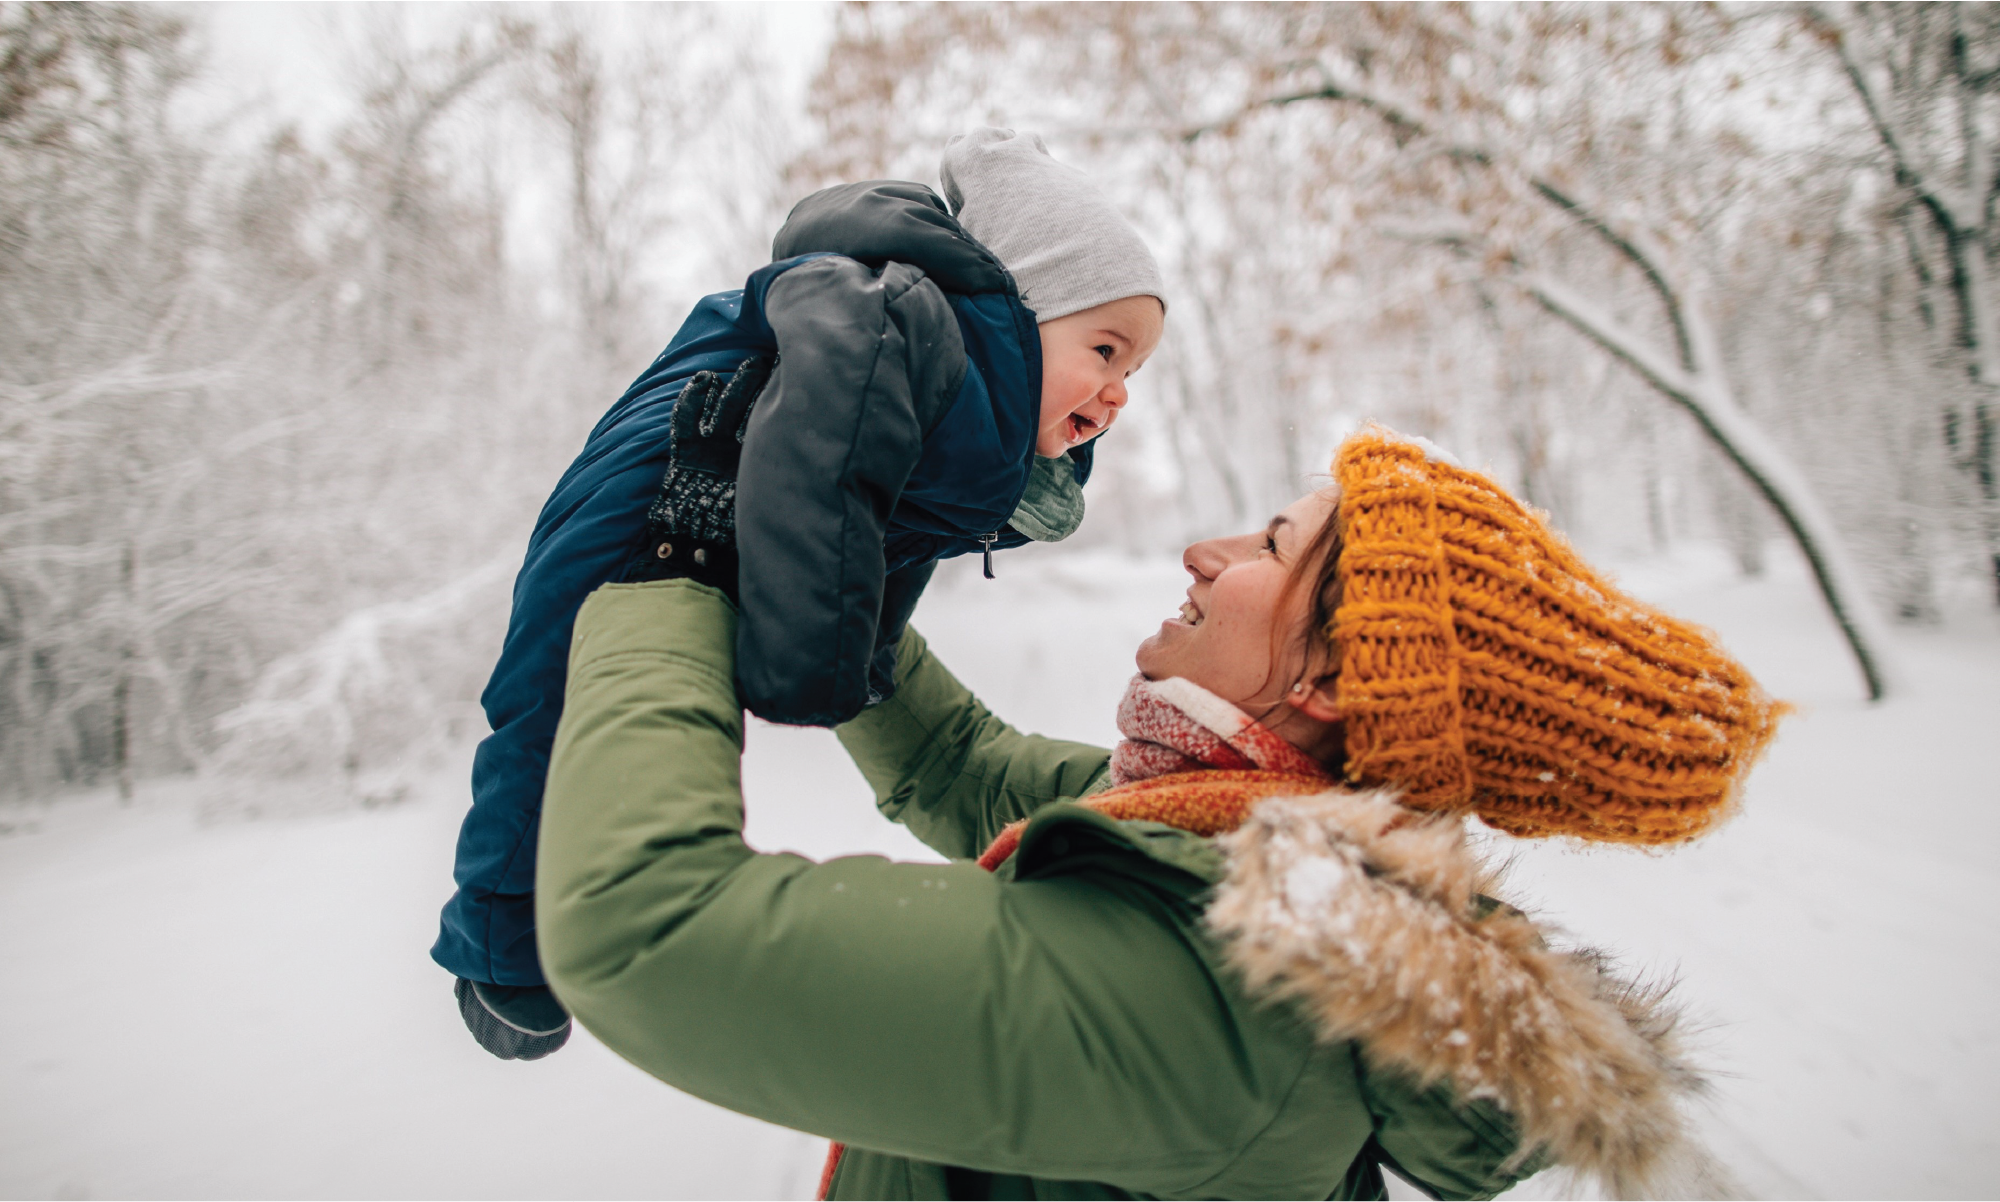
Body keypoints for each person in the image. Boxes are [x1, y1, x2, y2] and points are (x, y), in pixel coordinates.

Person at [534, 425, 1782, 1202]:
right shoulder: (1229, 832)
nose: (1200, 547)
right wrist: (812, 570)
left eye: (1269, 540)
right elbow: (970, 764)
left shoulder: (1227, 989)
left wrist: (670, 578)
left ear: (1334, 679)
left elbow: (653, 927)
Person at [435, 128, 1167, 1059]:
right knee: (549, 699)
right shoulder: (892, 311)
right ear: (1021, 307)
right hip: (647, 485)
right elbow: (823, 468)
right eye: (1105, 349)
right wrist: (812, 664)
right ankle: (496, 945)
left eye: (1133, 371)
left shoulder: (973, 392)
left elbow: (888, 528)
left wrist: (861, 648)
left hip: (739, 497)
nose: (1119, 391)